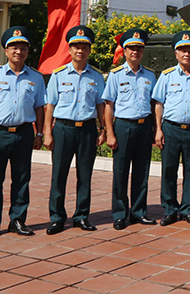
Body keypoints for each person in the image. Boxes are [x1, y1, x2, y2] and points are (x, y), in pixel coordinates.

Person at [0, 26, 46, 241]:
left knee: (22, 179)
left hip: (23, 133)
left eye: (23, 47)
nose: (18, 51)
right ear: (6, 51)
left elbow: (39, 108)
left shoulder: (36, 78)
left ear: (27, 51)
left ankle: (17, 220)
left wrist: (39, 134)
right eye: (13, 47)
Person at [44, 25, 106, 234]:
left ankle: (81, 216)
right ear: (69, 50)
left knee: (85, 175)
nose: (80, 51)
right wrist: (47, 132)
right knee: (59, 174)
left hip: (87, 130)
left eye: (84, 47)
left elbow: (100, 105)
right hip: (63, 128)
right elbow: (50, 105)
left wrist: (103, 129)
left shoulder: (96, 77)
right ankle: (57, 217)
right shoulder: (59, 75)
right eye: (76, 47)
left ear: (89, 50)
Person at [153, 30, 190, 226]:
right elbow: (159, 104)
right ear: (176, 53)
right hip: (171, 129)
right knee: (169, 169)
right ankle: (170, 209)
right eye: (182, 50)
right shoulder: (167, 76)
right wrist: (158, 129)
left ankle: (187, 209)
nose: (187, 54)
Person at [102, 28, 158, 230]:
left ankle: (138, 212)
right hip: (123, 126)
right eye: (131, 48)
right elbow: (109, 106)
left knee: (142, 172)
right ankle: (119, 214)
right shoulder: (116, 75)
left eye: (139, 48)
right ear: (124, 51)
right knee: (121, 172)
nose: (135, 52)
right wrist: (110, 132)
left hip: (144, 127)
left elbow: (154, 104)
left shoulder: (150, 76)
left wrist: (155, 128)